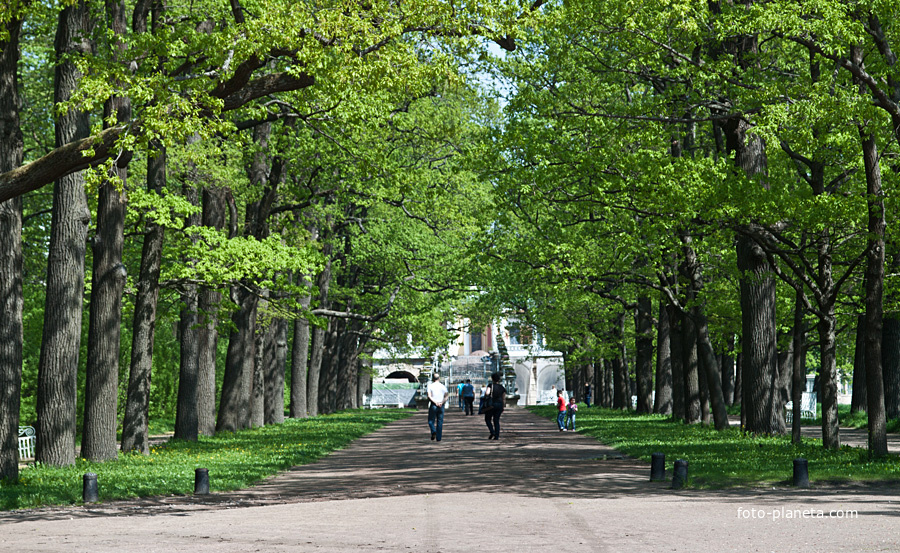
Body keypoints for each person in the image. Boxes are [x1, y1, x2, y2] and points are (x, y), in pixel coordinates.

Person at [484, 372, 506, 440]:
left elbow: (487, 393)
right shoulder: (502, 388)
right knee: (496, 420)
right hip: (499, 405)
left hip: (491, 404)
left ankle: (492, 431)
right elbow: (504, 398)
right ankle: (497, 436)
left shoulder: (491, 385)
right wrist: (503, 406)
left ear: (492, 379)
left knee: (487, 419)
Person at [427, 373, 449, 442]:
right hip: (441, 405)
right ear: (439, 378)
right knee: (440, 422)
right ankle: (438, 438)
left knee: (431, 421)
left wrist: (435, 402)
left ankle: (433, 431)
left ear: (433, 379)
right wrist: (441, 402)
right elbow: (446, 396)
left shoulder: (430, 386)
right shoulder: (443, 386)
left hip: (434, 404)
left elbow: (429, 396)